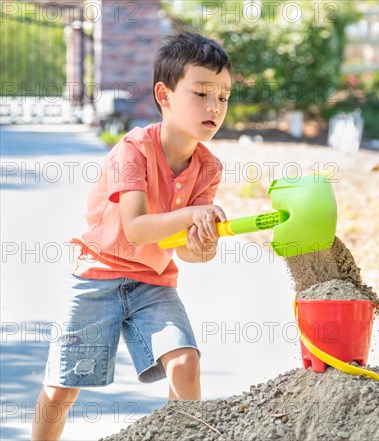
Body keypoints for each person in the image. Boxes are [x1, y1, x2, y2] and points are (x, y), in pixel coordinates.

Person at [31, 32, 232, 440]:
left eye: (224, 97)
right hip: (98, 276)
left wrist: (203, 246)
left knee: (185, 364)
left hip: (153, 283)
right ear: (165, 94)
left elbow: (188, 252)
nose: (214, 106)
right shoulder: (134, 149)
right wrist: (193, 214)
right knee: (60, 390)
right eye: (201, 93)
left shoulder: (208, 168)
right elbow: (137, 228)